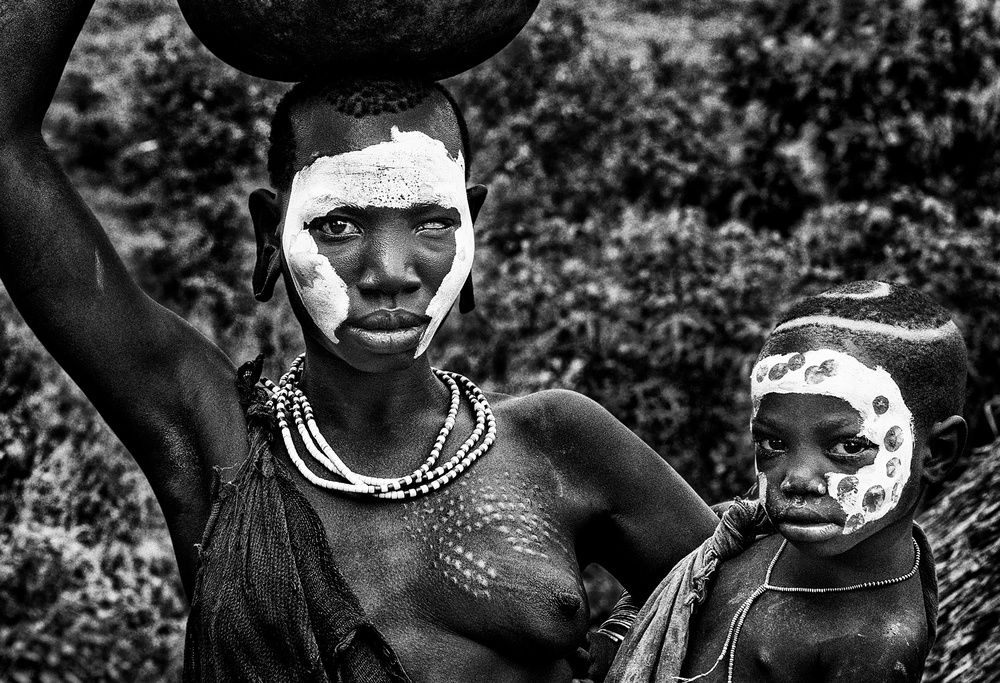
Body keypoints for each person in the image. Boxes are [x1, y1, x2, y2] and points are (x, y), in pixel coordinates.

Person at [0, 2, 719, 681]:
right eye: (339, 225)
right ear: (270, 235)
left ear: (472, 225)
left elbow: (746, 608)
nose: (390, 272)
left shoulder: (560, 444)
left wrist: (628, 647)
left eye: (432, 222)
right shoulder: (214, 439)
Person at [606, 280, 968, 683]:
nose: (796, 479)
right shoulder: (750, 532)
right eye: (774, 443)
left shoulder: (875, 645)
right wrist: (617, 637)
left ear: (938, 452)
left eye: (849, 447)